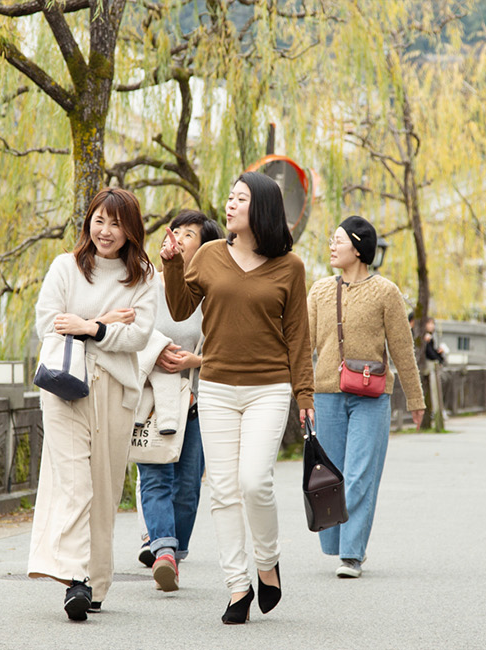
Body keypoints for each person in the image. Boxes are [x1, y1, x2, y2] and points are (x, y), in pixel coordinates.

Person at [160, 171, 313, 624]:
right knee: (223, 490)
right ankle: (236, 586)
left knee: (254, 482)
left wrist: (304, 393)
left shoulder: (291, 267)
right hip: (218, 387)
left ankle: (268, 561)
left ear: (262, 208)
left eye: (240, 199)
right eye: (228, 197)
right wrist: (171, 262)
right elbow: (180, 308)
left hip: (269, 387)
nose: (228, 205)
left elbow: (298, 337)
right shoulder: (208, 255)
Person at [26, 187, 157, 621]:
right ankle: (74, 579)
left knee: (102, 488)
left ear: (130, 230)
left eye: (116, 223)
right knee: (75, 484)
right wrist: (103, 323)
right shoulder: (66, 267)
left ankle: (96, 584)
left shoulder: (142, 277)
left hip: (116, 392)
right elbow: (50, 323)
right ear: (89, 222)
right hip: (65, 386)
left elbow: (138, 336)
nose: (105, 231)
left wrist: (85, 326)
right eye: (99, 220)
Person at [307, 216, 424, 579]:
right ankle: (338, 545)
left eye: (338, 239)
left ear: (357, 248)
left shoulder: (386, 292)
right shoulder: (320, 291)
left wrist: (415, 400)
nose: (331, 245)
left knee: (360, 474)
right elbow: (303, 346)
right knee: (332, 476)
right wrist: (298, 394)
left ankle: (352, 553)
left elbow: (403, 350)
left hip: (371, 397)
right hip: (327, 393)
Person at [135, 209, 223, 591]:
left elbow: (227, 346)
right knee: (155, 473)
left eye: (190, 235)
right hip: (152, 397)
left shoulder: (215, 292)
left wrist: (195, 360)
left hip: (197, 398)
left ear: (205, 248)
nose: (180, 238)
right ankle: (164, 550)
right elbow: (129, 331)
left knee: (187, 486)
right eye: (177, 231)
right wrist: (156, 350)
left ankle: (173, 549)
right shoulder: (145, 284)